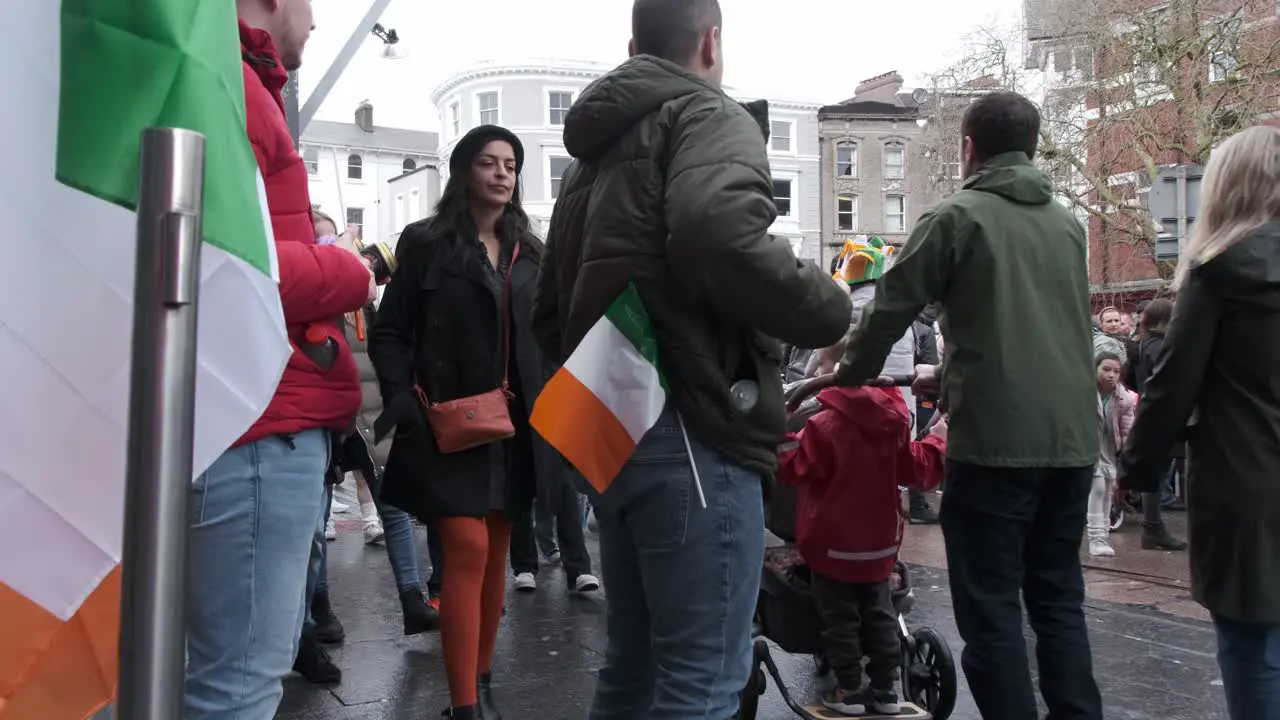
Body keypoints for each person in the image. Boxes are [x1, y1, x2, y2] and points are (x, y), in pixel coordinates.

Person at [532, 0, 852, 716]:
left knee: (634, 668)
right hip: (695, 428)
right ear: (712, 41)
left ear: (635, 47)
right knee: (703, 679)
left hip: (613, 431)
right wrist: (829, 307)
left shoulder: (589, 161)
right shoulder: (708, 115)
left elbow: (546, 310)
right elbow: (715, 228)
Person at [824, 91, 1103, 719]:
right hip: (1071, 441)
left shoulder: (956, 217)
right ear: (1031, 147)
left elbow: (889, 308)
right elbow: (1046, 330)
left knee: (992, 605)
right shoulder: (1066, 224)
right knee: (1059, 599)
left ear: (968, 148)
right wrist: (950, 373)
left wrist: (849, 377)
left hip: (996, 444)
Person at [184, 4, 377, 718]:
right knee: (234, 685)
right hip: (259, 421)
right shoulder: (225, 83)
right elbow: (224, 262)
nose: (317, 20)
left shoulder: (217, 77)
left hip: (236, 415)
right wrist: (346, 268)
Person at [370, 125, 557, 720]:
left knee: (497, 546)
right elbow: (391, 328)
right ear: (462, 171)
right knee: (468, 545)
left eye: (511, 164)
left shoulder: (532, 249)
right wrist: (403, 397)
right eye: (488, 162)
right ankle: (464, 705)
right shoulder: (426, 241)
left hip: (517, 424)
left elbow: (549, 333)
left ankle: (478, 675)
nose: (502, 173)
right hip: (446, 420)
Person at [1117, 125, 1280, 720]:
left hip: (1247, 478)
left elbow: (1171, 388)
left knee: (1253, 641)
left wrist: (1134, 468)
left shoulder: (1218, 271)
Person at [778, 337, 948, 716]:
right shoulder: (895, 422)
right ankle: (886, 689)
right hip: (880, 545)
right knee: (880, 612)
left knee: (840, 619)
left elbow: (792, 466)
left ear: (832, 373)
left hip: (832, 543)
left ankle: (849, 688)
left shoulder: (824, 425)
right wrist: (938, 440)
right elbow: (915, 468)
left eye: (821, 368)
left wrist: (778, 432)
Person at [1127, 298, 1186, 551]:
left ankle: (1153, 527)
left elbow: (1130, 379)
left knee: (1156, 470)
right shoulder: (1160, 347)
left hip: (1148, 410)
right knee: (1159, 470)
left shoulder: (1141, 346)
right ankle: (1153, 527)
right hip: (1162, 414)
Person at [1085, 350, 1134, 558]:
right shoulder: (1085, 392)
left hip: (1108, 447)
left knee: (1107, 489)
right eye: (1106, 369)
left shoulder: (1124, 398)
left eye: (1116, 371)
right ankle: (1095, 537)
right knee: (1096, 486)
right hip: (1088, 446)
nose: (1111, 375)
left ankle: (1103, 534)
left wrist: (1126, 451)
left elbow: (1127, 427)